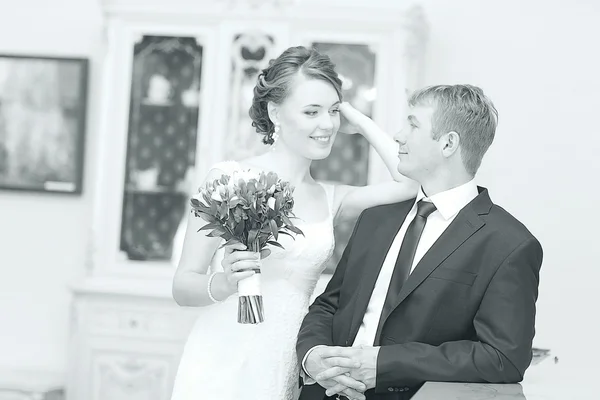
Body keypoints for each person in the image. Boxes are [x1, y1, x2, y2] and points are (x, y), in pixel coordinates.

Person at [170, 46, 418, 400]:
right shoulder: (229, 178)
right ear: (275, 112)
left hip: (285, 364)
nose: (327, 124)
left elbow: (409, 183)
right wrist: (225, 283)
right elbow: (183, 285)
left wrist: (360, 122)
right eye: (311, 111)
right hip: (222, 360)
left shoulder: (333, 198)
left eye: (333, 111)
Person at [297, 84, 543, 400]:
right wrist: (313, 355)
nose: (399, 135)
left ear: (449, 143)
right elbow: (330, 304)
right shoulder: (376, 219)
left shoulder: (509, 243)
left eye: (413, 124)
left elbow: (503, 358)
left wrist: (384, 364)